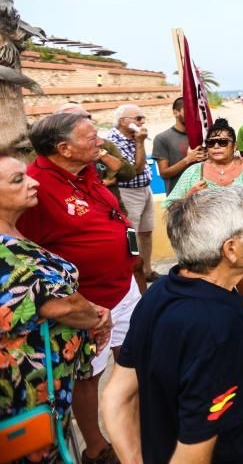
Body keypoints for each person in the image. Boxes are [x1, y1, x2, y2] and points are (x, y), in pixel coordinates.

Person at [102, 187, 243, 464]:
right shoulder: (217, 332)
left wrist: (135, 459)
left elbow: (116, 394)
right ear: (231, 249)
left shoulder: (162, 290)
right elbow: (192, 454)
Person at [18, 113, 138, 464]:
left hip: (123, 288)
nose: (99, 141)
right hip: (87, 303)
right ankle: (97, 448)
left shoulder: (86, 171)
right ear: (63, 148)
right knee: (89, 376)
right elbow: (25, 250)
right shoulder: (33, 187)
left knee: (135, 360)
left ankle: (137, 425)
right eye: (90, 138)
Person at [0, 150, 110, 462]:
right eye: (18, 180)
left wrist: (91, 311)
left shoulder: (15, 234)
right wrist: (96, 317)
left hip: (48, 385)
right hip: (24, 392)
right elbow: (59, 305)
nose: (33, 183)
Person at [164, 118, 243, 323]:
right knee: (211, 297)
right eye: (211, 142)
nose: (216, 146)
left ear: (235, 145)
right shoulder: (194, 171)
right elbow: (170, 209)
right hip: (206, 250)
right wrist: (189, 195)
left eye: (223, 141)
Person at [108, 104, 157, 284]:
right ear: (123, 121)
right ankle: (134, 274)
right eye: (138, 118)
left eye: (142, 118)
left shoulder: (133, 137)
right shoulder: (114, 141)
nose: (142, 122)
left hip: (144, 189)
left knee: (146, 231)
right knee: (131, 234)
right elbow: (135, 169)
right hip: (127, 192)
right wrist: (140, 142)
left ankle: (147, 270)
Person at [57, 103, 136, 209]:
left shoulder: (104, 144)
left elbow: (128, 174)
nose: (86, 121)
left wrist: (103, 154)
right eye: (78, 119)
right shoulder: (51, 153)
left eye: (87, 117)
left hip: (113, 212)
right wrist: (102, 184)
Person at [151, 97, 205, 197]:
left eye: (194, 110)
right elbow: (164, 173)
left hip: (202, 197)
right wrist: (188, 160)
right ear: (176, 113)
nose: (192, 113)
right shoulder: (162, 138)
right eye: (188, 110)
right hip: (177, 200)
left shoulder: (202, 136)